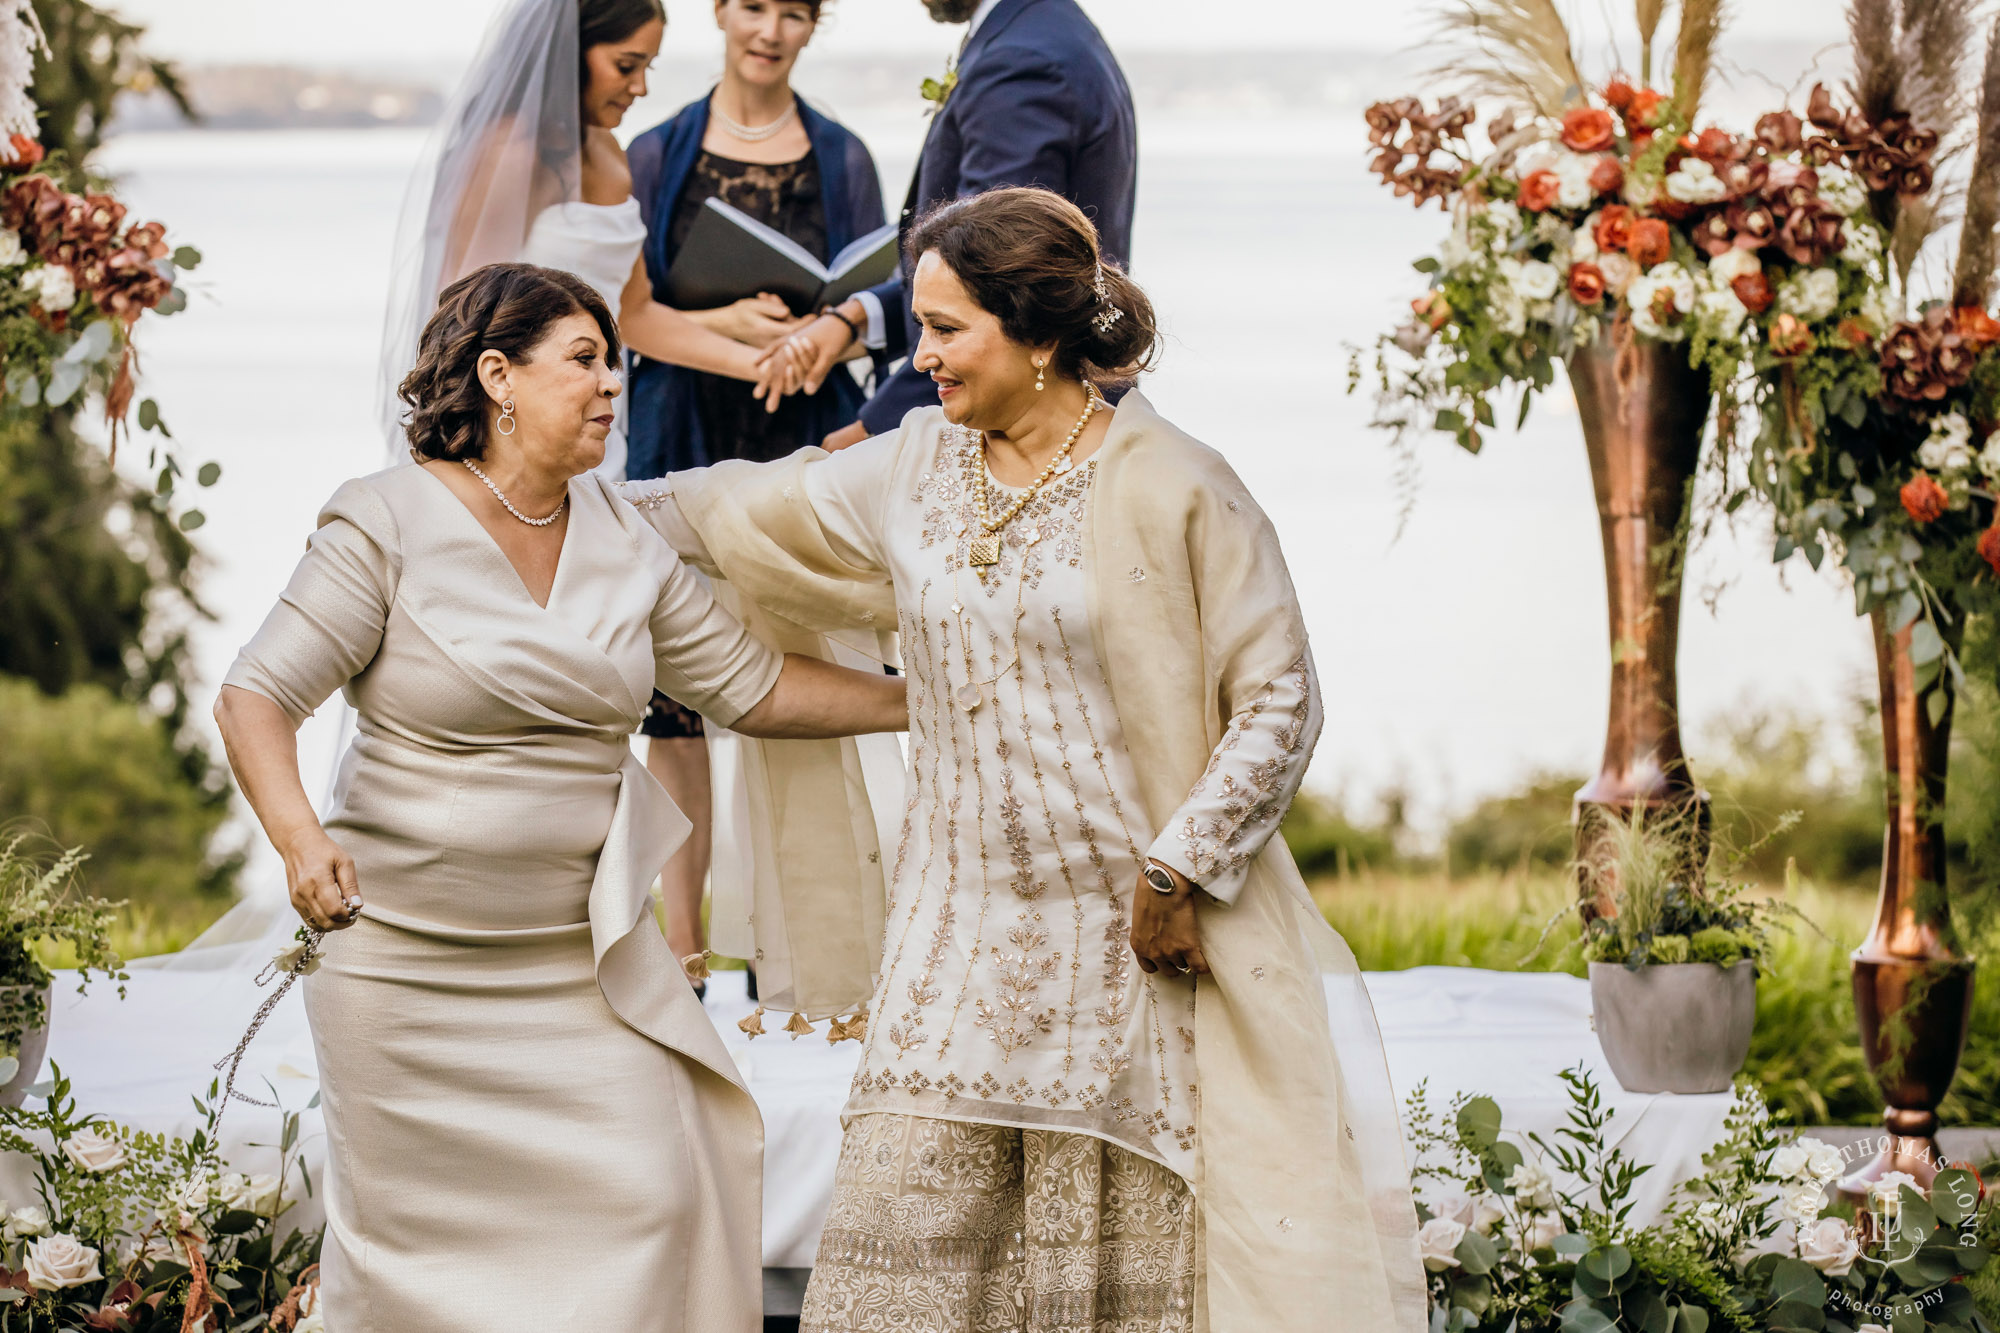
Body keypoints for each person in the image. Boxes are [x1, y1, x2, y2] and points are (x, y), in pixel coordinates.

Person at [620, 188, 1427, 1332]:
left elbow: (1278, 698)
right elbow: (741, 512)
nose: (925, 359)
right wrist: (544, 501)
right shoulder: (914, 468)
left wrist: (1175, 871)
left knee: (1107, 1283)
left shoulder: (1174, 483)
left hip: (1128, 952)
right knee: (902, 1253)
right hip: (948, 940)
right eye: (924, 328)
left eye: (948, 331)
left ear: (1041, 335)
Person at [213, 263, 909, 1329]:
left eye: (612, 364)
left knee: (657, 1189)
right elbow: (258, 695)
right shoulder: (385, 521)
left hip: (579, 969)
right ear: (497, 375)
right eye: (583, 360)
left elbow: (753, 687)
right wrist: (301, 841)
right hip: (405, 975)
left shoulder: (623, 535)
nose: (609, 386)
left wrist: (925, 699)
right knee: (417, 1275)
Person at [621, 0, 888, 972]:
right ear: (720, 13)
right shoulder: (656, 153)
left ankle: (820, 953)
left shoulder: (844, 156)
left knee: (812, 674)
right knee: (675, 707)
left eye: (791, 12)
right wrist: (733, 319)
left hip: (801, 427)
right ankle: (685, 951)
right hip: (682, 427)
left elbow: (870, 293)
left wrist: (825, 328)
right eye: (752, 7)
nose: (768, 30)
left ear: (812, 25)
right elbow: (626, 306)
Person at [378, 0, 806, 482]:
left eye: (647, 67)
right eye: (626, 66)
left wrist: (766, 364)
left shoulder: (609, 154)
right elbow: (462, 326)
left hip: (600, 428)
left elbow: (634, 314)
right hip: (514, 446)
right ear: (571, 51)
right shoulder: (508, 155)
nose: (640, 87)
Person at [772, 0, 1138, 450]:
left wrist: (872, 433)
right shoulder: (1048, 30)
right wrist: (854, 317)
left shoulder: (1021, 60)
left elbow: (988, 278)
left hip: (1030, 431)